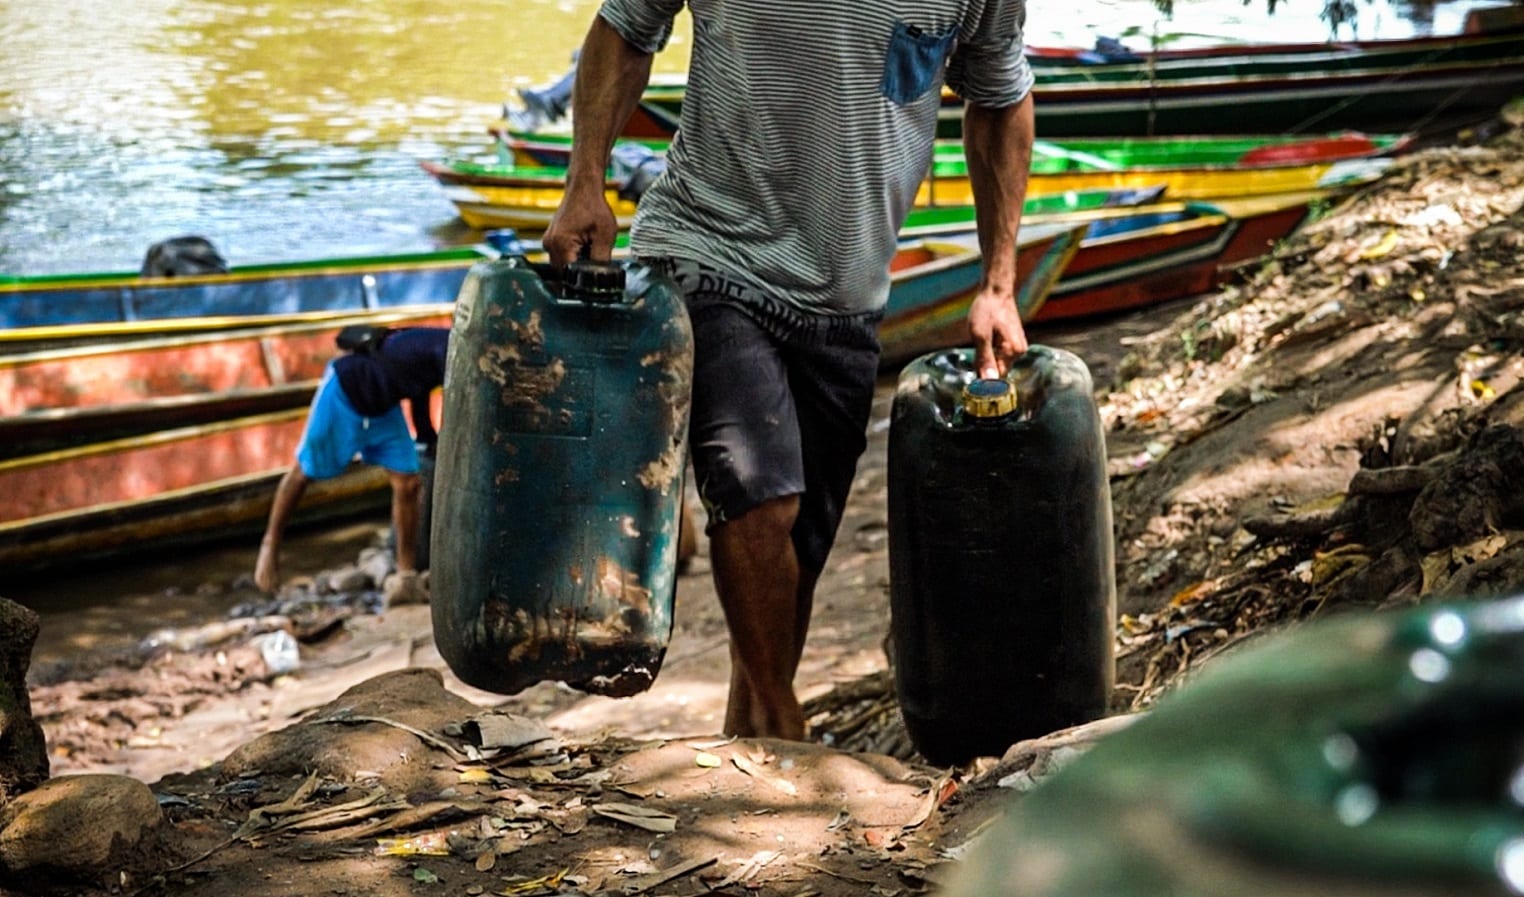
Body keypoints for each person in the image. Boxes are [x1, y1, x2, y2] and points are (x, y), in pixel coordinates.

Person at [541, 0, 1035, 740]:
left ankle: (753, 743)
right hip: (708, 250)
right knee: (759, 496)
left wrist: (999, 284)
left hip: (848, 295)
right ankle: (783, 725)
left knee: (797, 543)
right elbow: (626, 28)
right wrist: (586, 181)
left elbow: (999, 99)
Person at [253, 326, 450, 596]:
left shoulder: (440, 352)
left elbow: (418, 388)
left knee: (408, 483)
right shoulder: (449, 349)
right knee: (304, 471)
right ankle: (269, 546)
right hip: (344, 392)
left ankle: (406, 576)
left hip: (383, 408)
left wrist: (428, 440)